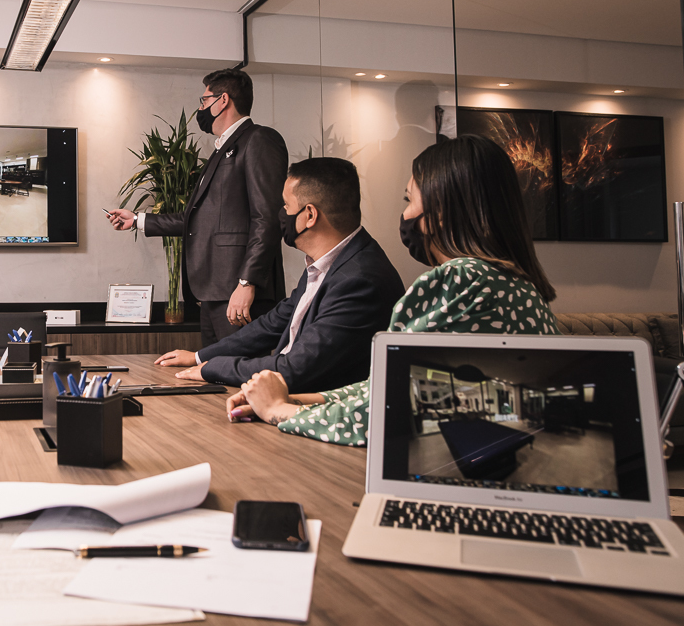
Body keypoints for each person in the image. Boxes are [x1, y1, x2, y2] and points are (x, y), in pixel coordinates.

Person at [226, 135, 559, 446]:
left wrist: (278, 411)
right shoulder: (522, 287)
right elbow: (389, 389)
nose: (405, 214)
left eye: (409, 199)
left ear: (439, 214)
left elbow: (381, 414)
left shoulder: (460, 281)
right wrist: (294, 398)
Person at [157, 157, 404, 393]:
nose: (281, 214)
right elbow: (274, 323)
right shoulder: (329, 263)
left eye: (286, 206)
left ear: (310, 215)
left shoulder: (359, 280)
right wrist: (199, 357)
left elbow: (294, 369)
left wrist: (213, 368)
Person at [107, 68, 288, 347]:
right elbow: (197, 219)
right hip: (213, 294)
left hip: (239, 293)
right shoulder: (219, 150)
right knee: (215, 376)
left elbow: (267, 218)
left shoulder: (259, 140)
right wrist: (138, 220)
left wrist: (246, 283)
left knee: (240, 377)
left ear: (223, 100)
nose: (200, 108)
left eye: (203, 101)